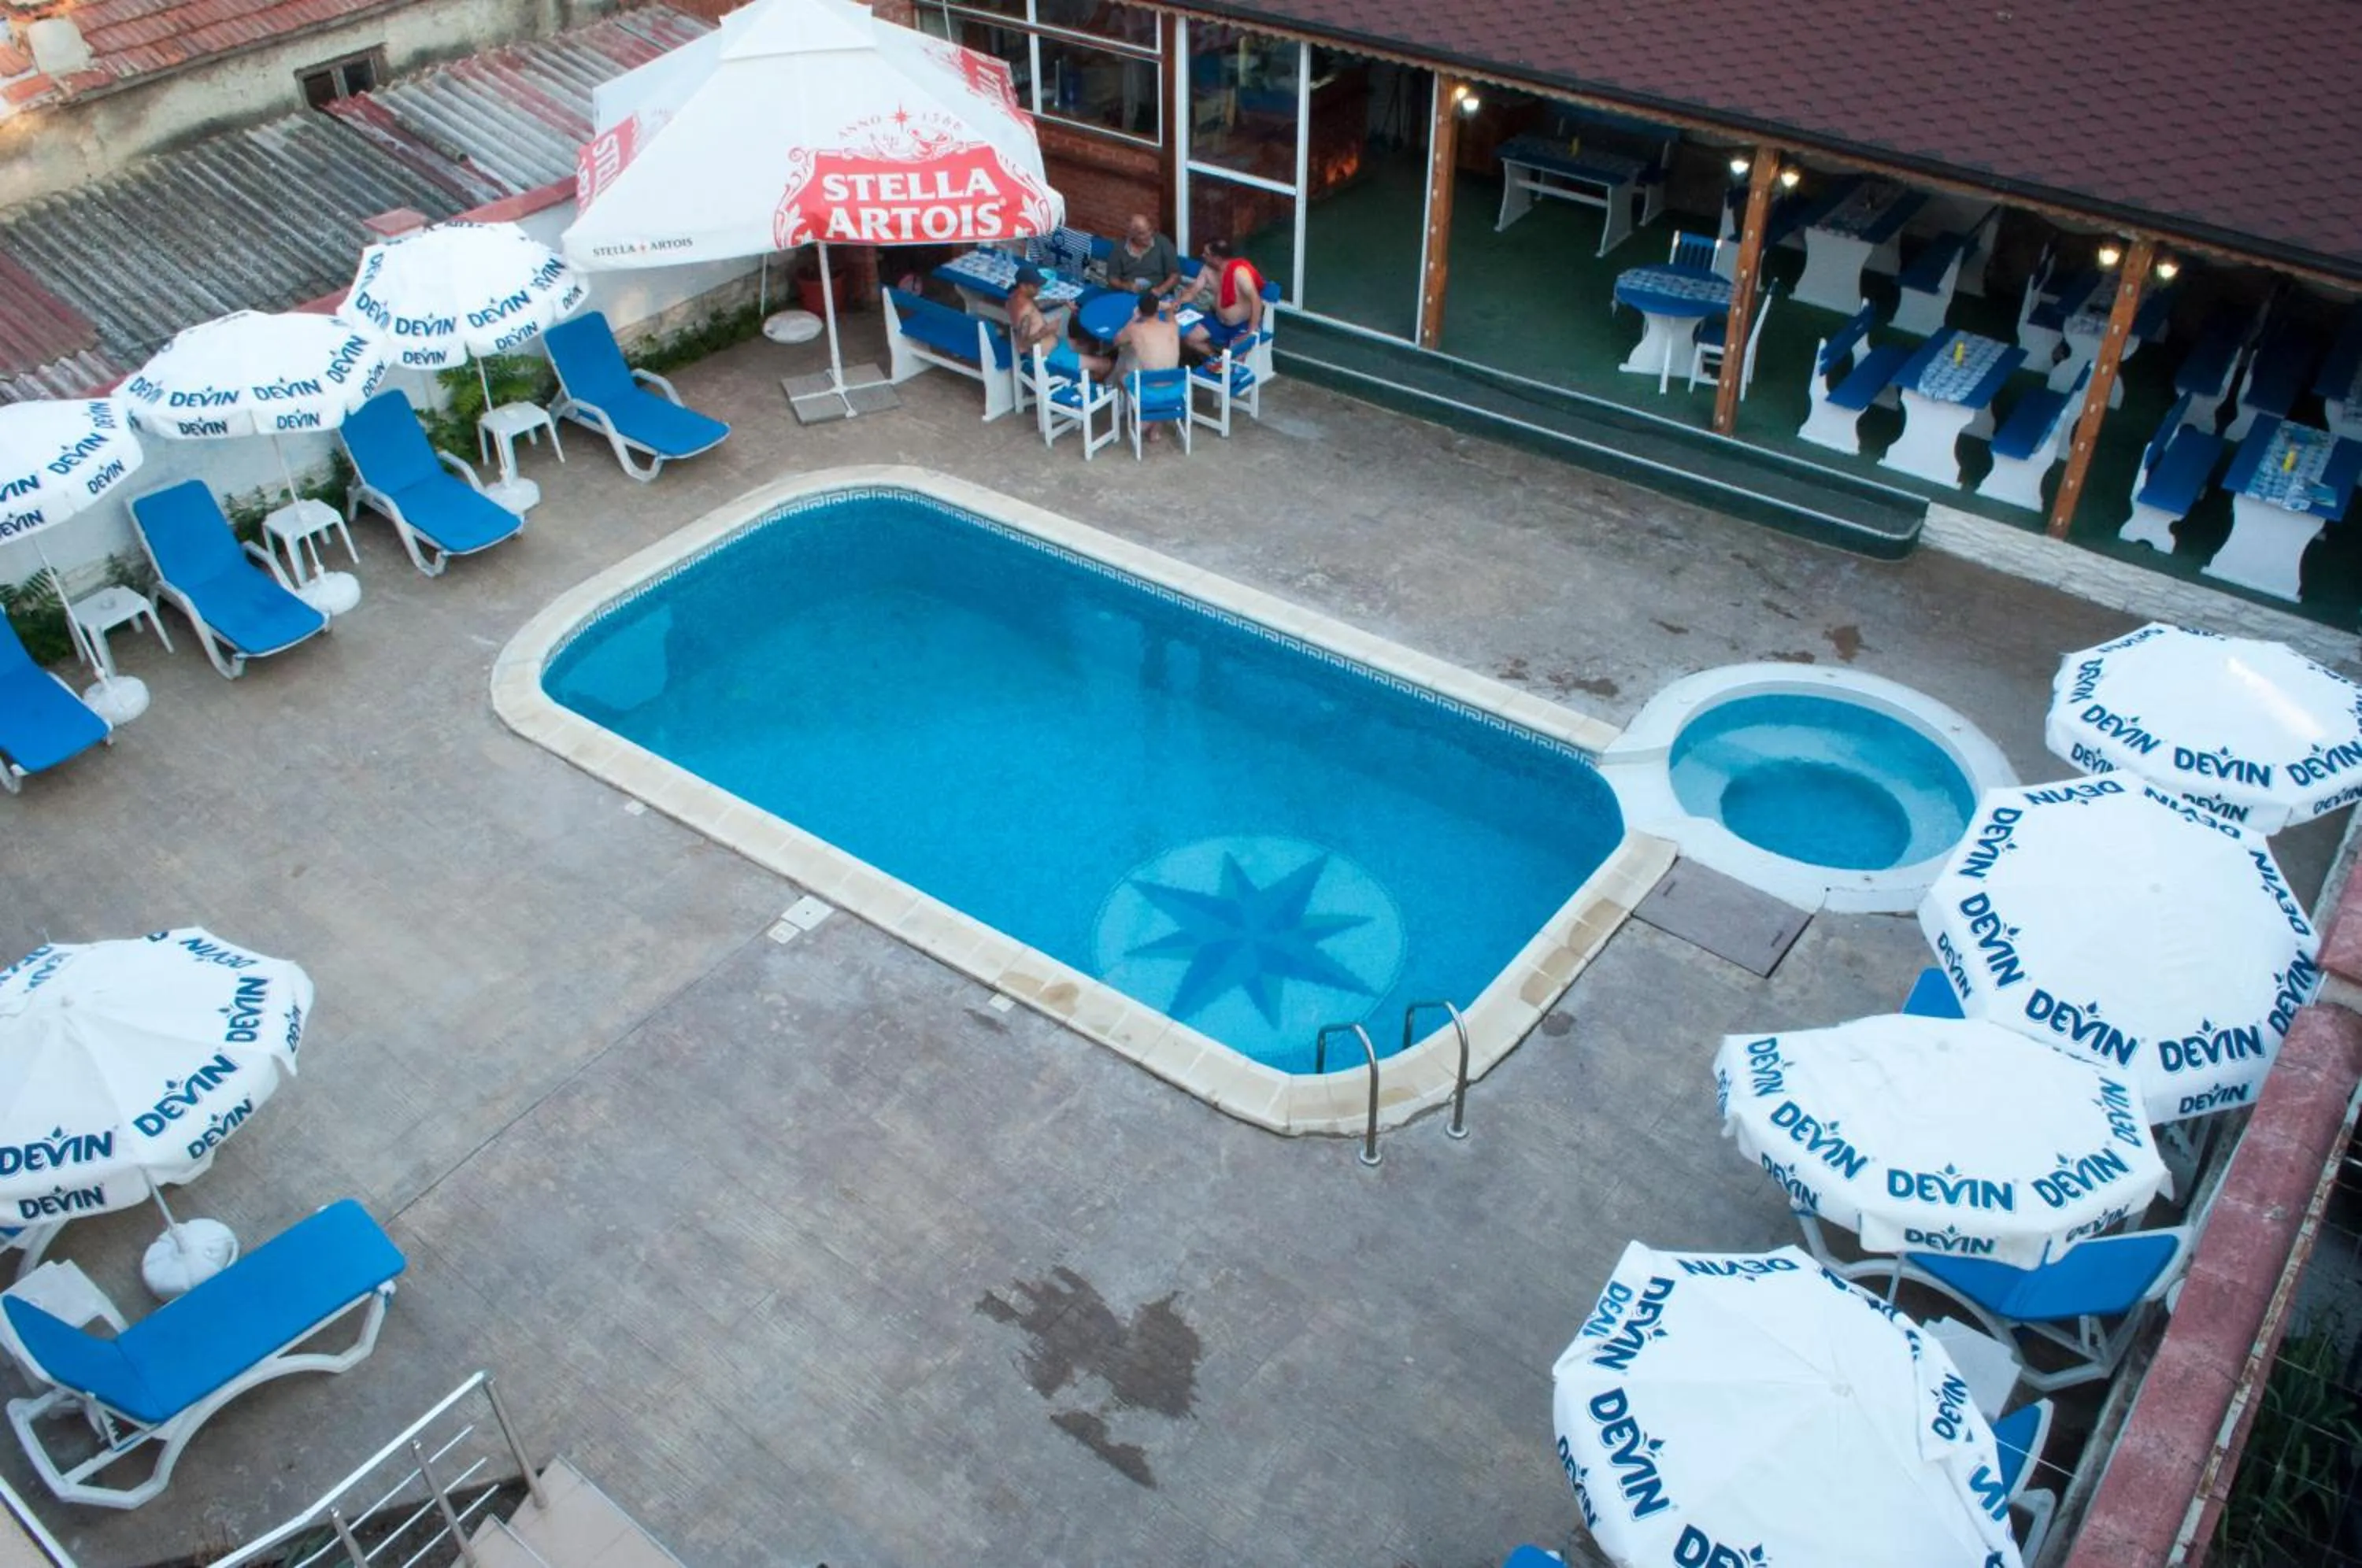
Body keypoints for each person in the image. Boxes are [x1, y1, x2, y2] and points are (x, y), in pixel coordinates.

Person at [1008, 267, 1109, 379]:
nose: (1039, 289)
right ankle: (1092, 389)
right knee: (1106, 365)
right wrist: (1047, 330)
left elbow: (1038, 304)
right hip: (1050, 358)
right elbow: (1023, 345)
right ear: (1023, 286)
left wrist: (1063, 301)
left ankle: (1088, 373)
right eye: (1036, 287)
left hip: (1056, 345)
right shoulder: (1023, 310)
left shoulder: (1017, 297)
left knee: (1090, 346)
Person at [1112, 291, 1183, 442]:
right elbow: (1170, 311)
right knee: (1156, 372)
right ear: (1157, 309)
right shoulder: (1173, 327)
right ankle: (1157, 423)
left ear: (1140, 310)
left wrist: (1134, 318)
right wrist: (1167, 306)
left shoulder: (1135, 330)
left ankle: (1148, 416)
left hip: (1148, 392)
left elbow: (1116, 341)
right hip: (1176, 388)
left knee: (1121, 374)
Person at [1182, 238, 1266, 359]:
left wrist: (1250, 332)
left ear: (1217, 259)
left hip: (1242, 325)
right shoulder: (1207, 269)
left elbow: (1256, 300)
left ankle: (1223, 363)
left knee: (1235, 358)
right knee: (1190, 339)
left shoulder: (1240, 272)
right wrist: (1178, 301)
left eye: (1206, 254)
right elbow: (1194, 289)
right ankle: (1215, 359)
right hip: (1218, 320)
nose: (1202, 256)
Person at [1103, 213, 1182, 296]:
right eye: (1142, 233)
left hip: (1156, 295)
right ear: (1132, 234)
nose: (1148, 235)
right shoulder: (1120, 248)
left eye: (1150, 230)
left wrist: (1161, 290)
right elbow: (1112, 278)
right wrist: (1126, 286)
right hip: (1128, 294)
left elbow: (1175, 274)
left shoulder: (1163, 243)